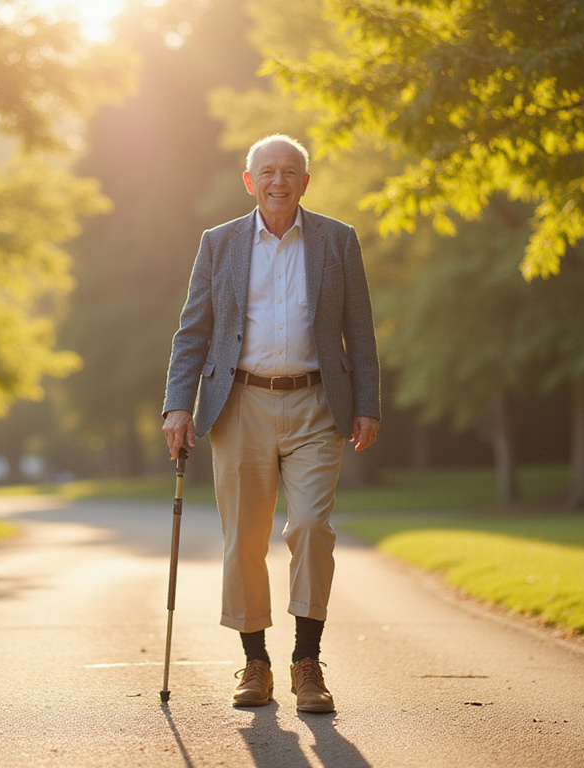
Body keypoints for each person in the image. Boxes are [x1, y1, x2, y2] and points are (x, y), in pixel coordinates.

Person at [162, 134, 381, 713]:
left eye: (290, 171)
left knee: (310, 526)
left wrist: (367, 402)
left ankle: (306, 663)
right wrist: (178, 405)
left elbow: (359, 329)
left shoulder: (337, 240)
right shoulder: (219, 244)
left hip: (317, 402)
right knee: (244, 540)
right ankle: (254, 661)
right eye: (268, 171)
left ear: (305, 182)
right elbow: (193, 332)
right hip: (240, 404)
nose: (278, 180)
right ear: (250, 180)